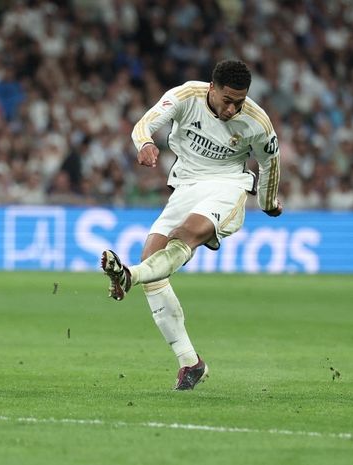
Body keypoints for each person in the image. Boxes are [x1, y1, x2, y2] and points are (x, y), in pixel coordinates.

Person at [101, 60, 282, 390]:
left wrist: (268, 203)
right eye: (227, 100)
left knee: (183, 235)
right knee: (152, 256)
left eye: (238, 102)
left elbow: (270, 162)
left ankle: (130, 275)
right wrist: (145, 144)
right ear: (211, 88)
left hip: (228, 184)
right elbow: (144, 125)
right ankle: (190, 362)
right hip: (186, 184)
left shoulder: (257, 122)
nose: (232, 108)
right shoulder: (185, 96)